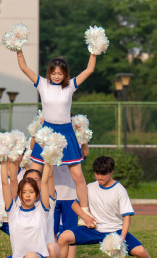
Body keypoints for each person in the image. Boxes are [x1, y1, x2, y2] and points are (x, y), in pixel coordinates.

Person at [57, 156, 157, 258]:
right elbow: (75, 205)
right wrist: (85, 217)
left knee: (141, 252)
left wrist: (121, 239)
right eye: (97, 173)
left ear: (111, 172)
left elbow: (127, 217)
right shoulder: (90, 187)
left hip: (115, 231)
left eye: (103, 173)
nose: (100, 177)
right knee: (63, 237)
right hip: (93, 230)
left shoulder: (120, 190)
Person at [16, 50, 97, 227]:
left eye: (60, 73)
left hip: (67, 133)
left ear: (65, 74)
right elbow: (24, 67)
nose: (57, 76)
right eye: (54, 73)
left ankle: (85, 213)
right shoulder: (42, 84)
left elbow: (89, 70)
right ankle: (25, 208)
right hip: (46, 133)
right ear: (49, 73)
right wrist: (19, 50)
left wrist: (93, 51)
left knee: (78, 176)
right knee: (33, 173)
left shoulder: (70, 86)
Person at [0, 159, 55, 258]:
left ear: (37, 194)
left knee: (30, 256)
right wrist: (3, 160)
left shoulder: (42, 210)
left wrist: (49, 159)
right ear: (19, 194)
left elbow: (45, 182)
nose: (28, 195)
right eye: (24, 192)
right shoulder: (13, 212)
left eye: (31, 192)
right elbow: (5, 183)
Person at [53, 165, 79, 258]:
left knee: (72, 234)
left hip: (71, 194)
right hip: (52, 194)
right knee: (52, 234)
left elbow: (84, 155)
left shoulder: (73, 151)